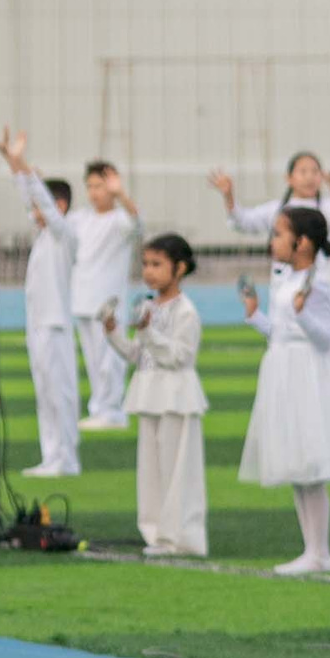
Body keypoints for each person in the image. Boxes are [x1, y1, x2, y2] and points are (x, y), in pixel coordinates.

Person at [215, 149, 330, 449]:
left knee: (327, 348)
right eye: (303, 170)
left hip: (320, 287)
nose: (310, 176)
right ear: (289, 177)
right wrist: (228, 196)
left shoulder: (328, 207)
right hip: (285, 285)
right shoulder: (279, 210)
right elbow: (242, 221)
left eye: (315, 170)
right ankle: (295, 417)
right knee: (285, 342)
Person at [240, 207, 330, 574]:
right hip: (283, 368)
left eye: (279, 234)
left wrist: (302, 314)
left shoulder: (321, 282)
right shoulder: (286, 279)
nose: (272, 242)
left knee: (310, 465)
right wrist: (256, 316)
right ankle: (311, 549)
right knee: (295, 464)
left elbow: (327, 337)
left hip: (306, 374)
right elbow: (282, 332)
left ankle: (319, 551)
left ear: (302, 242)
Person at [104, 234, 206, 557]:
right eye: (146, 264)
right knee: (150, 471)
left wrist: (148, 332)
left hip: (175, 395)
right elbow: (138, 354)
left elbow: (179, 356)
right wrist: (113, 334)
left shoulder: (186, 312)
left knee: (177, 471)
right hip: (150, 393)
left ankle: (181, 537)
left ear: (180, 268)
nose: (149, 271)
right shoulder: (147, 305)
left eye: (157, 264)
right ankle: (156, 534)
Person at [0, 129, 80, 476]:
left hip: (55, 324)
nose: (34, 211)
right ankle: (53, 456)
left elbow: (41, 202)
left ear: (58, 206)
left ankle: (65, 458)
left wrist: (22, 163)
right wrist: (12, 164)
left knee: (59, 394)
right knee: (45, 394)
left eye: (43, 205)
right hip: (38, 325)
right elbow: (29, 199)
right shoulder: (46, 234)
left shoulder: (65, 234)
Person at [71, 159, 142, 431]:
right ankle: (99, 409)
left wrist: (121, 193)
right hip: (83, 300)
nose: (94, 192)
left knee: (110, 361)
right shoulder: (81, 218)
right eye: (90, 186)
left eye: (99, 186)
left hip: (109, 303)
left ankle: (113, 411)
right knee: (93, 361)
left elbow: (137, 222)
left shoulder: (119, 220)